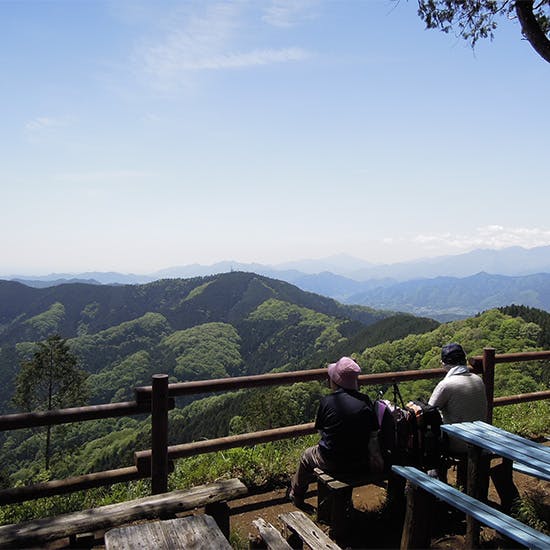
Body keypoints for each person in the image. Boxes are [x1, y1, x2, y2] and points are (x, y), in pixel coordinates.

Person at [288, 356, 378, 507]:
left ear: (335, 381)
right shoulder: (365, 401)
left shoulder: (327, 401)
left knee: (306, 456)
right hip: (360, 462)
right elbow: (373, 433)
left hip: (332, 461)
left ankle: (296, 495)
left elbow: (321, 431)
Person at [429, 342, 488, 485]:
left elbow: (429, 411)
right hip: (481, 438)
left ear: (444, 364)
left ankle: (435, 482)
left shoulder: (447, 384)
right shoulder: (478, 379)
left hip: (459, 443)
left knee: (429, 437)